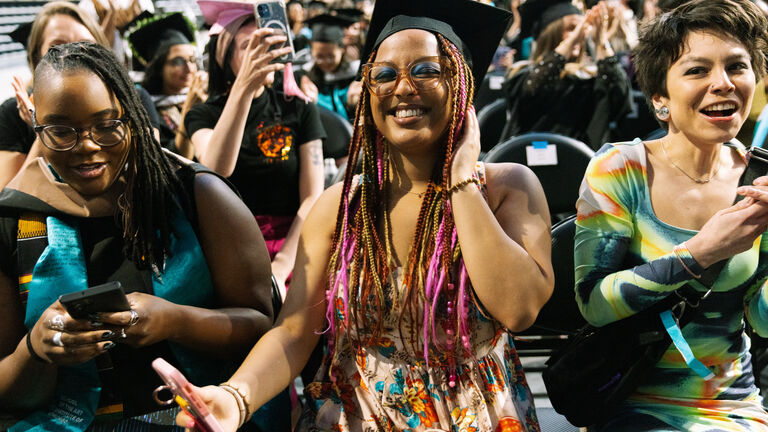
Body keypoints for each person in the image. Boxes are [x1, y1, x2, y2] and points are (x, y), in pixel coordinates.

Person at [177, 0, 553, 431]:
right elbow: (295, 332)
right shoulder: (339, 208)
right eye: (385, 74)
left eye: (427, 70)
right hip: (357, 417)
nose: (403, 87)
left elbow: (518, 309)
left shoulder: (509, 188)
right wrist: (234, 399)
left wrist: (461, 181)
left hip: (476, 418)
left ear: (461, 84)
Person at [0, 42, 278, 431]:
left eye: (106, 125)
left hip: (188, 419)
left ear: (130, 117)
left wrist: (176, 320)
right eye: (61, 131)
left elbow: (262, 325)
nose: (88, 146)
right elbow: (7, 389)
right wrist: (36, 350)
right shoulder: (15, 219)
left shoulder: (195, 194)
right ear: (35, 124)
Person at [574, 0, 768, 429]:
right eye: (697, 70)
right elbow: (593, 304)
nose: (723, 83)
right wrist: (700, 252)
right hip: (633, 402)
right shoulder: (621, 169)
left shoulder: (760, 178)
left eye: (737, 67)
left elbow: (762, 319)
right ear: (660, 96)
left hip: (737, 408)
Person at [187, 0, 326, 297]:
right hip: (230, 243)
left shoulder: (299, 108)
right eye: (250, 46)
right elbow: (216, 170)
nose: (262, 53)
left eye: (267, 43)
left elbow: (313, 197)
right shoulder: (203, 114)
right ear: (226, 56)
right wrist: (244, 88)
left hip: (294, 241)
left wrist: (283, 265)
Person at [0, 1, 162, 190]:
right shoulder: (12, 113)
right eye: (57, 47)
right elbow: (7, 200)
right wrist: (44, 132)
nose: (73, 56)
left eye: (86, 46)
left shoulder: (134, 100)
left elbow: (149, 179)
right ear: (36, 57)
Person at [502, 0, 632, 150]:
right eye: (571, 28)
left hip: (580, 166)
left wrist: (601, 41)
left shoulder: (590, 78)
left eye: (582, 29)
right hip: (527, 163)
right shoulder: (522, 74)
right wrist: (572, 40)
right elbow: (532, 89)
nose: (581, 33)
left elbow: (620, 98)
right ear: (551, 33)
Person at [129, 12, 206, 158]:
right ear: (159, 68)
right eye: (178, 61)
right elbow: (177, 162)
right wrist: (189, 108)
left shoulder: (205, 97)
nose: (189, 68)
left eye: (192, 59)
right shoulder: (147, 111)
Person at [299, 13, 362, 121]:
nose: (325, 62)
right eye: (319, 56)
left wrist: (356, 105)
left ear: (342, 49)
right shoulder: (306, 77)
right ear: (311, 52)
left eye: (331, 56)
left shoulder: (356, 75)